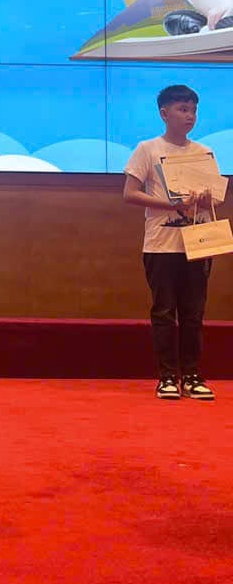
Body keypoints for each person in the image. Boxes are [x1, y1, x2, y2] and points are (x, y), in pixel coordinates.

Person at [123, 84, 219, 401]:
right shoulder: (148, 149)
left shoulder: (204, 152)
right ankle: (166, 377)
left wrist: (205, 198)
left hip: (198, 243)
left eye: (193, 110)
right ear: (164, 113)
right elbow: (130, 194)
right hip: (161, 245)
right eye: (182, 109)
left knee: (193, 313)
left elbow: (216, 198)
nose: (190, 116)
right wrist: (171, 205)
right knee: (164, 311)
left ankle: (192, 376)